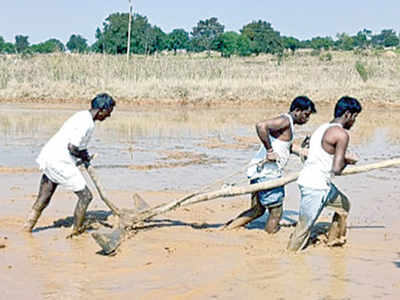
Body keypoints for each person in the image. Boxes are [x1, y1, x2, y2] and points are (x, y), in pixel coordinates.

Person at [23, 93, 116, 237]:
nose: (109, 116)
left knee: (44, 197)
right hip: (60, 161)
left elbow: (79, 145)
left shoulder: (81, 116)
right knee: (86, 196)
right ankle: (75, 232)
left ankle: (26, 229)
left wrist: (84, 155)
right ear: (102, 109)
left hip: (49, 156)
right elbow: (72, 147)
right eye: (109, 112)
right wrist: (83, 156)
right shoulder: (87, 124)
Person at [224, 96, 316, 233]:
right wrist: (270, 151)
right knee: (276, 213)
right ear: (297, 110)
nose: (307, 119)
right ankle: (269, 239)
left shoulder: (288, 124)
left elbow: (286, 147)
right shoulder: (285, 120)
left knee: (258, 209)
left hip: (259, 171)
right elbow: (261, 126)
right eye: (306, 115)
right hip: (268, 174)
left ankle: (227, 229)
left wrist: (303, 151)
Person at [287, 96, 362, 252]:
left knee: (343, 206)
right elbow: (336, 169)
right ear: (347, 114)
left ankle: (334, 240)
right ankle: (289, 258)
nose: (354, 122)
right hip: (316, 187)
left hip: (318, 182)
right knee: (303, 228)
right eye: (355, 117)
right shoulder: (342, 135)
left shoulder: (322, 128)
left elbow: (323, 152)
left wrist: (343, 156)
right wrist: (348, 161)